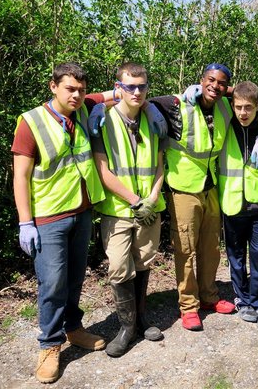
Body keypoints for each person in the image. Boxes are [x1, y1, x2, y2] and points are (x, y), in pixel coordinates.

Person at [12, 62, 111, 384]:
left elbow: (118, 92)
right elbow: (21, 177)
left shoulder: (82, 109)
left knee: (74, 278)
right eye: (70, 89)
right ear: (53, 86)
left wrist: (181, 96)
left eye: (81, 90)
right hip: (48, 217)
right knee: (52, 283)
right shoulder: (31, 123)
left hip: (81, 212)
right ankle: (50, 345)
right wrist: (25, 222)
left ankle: (73, 328)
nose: (77, 95)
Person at [149, 63, 237, 331]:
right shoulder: (177, 104)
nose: (215, 86)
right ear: (200, 81)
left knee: (210, 247)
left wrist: (228, 90)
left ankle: (209, 296)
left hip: (211, 187)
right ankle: (188, 305)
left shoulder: (224, 105)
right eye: (210, 80)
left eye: (221, 83)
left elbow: (255, 97)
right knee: (185, 249)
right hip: (183, 188)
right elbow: (147, 100)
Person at [91, 62, 165, 357]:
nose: (137, 92)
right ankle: (126, 327)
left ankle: (140, 320)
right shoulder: (103, 120)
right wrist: (135, 200)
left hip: (149, 208)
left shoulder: (154, 120)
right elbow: (103, 170)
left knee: (144, 261)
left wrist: (151, 198)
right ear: (118, 87)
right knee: (120, 266)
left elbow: (160, 165)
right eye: (130, 86)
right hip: (119, 210)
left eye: (142, 86)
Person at [219, 81, 258, 328]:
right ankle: (242, 299)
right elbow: (212, 94)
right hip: (231, 204)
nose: (243, 112)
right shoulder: (225, 123)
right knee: (236, 256)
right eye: (238, 107)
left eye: (249, 107)